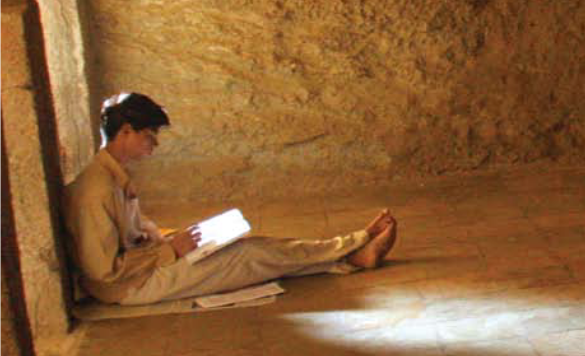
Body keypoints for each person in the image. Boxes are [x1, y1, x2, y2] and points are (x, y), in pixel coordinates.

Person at [64, 92, 397, 305]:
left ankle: (350, 252)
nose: (155, 144)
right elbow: (103, 271)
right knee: (247, 257)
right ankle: (352, 251)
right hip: (132, 287)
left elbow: (133, 233)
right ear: (125, 132)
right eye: (149, 135)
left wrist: (170, 239)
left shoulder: (112, 175)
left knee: (249, 248)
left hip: (146, 266)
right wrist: (170, 251)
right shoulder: (98, 189)